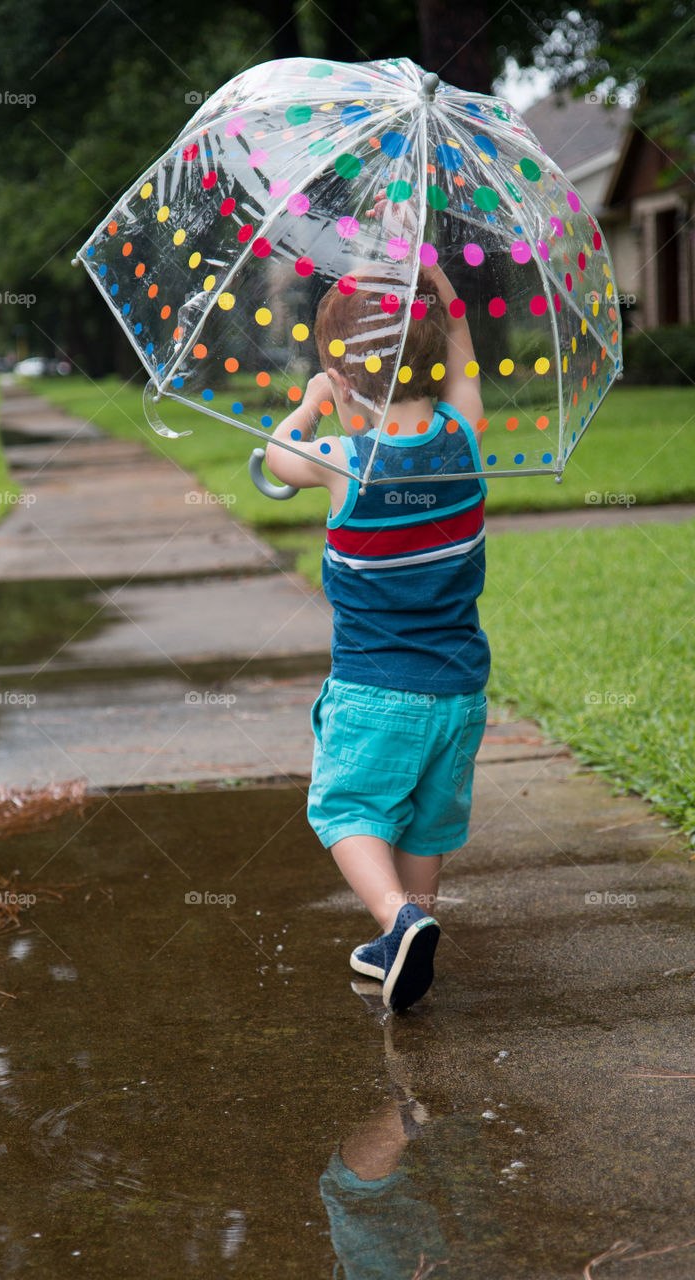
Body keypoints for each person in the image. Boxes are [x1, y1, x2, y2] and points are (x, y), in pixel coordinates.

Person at [265, 195, 490, 1013]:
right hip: (460, 690)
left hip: (374, 690)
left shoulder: (340, 460)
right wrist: (438, 290)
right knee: (427, 823)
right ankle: (411, 931)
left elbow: (273, 459)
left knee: (348, 806)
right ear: (433, 360)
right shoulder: (464, 437)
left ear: (345, 370)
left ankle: (396, 919)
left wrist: (313, 401)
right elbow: (463, 362)